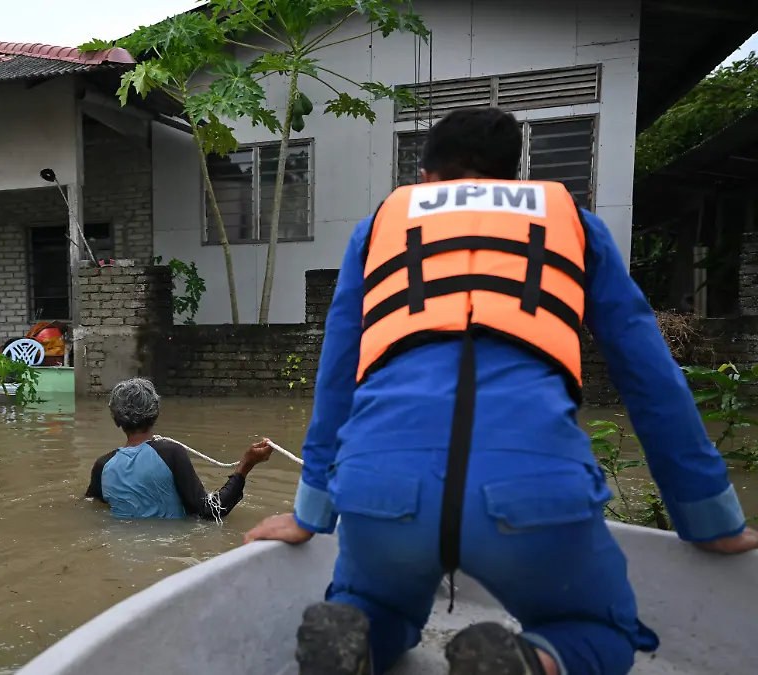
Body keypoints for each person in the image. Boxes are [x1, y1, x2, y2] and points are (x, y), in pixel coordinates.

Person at [244, 107, 758, 675]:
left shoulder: (380, 228)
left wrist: (311, 513)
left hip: (381, 487)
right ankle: (533, 661)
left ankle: (357, 634)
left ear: (424, 180)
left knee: (375, 601)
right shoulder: (575, 224)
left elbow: (338, 376)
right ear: (513, 177)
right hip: (532, 490)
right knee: (597, 630)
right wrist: (710, 519)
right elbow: (652, 380)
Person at [86, 378, 274, 520]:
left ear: (116, 420)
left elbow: (95, 508)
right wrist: (246, 465)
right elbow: (212, 511)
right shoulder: (170, 453)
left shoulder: (102, 466)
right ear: (155, 412)